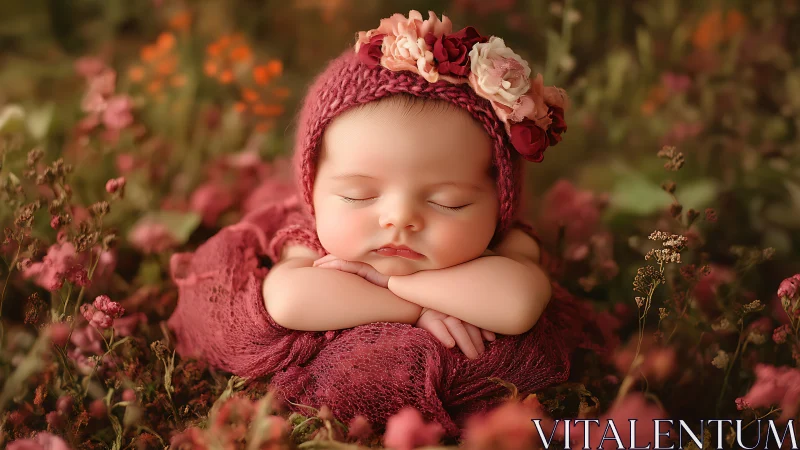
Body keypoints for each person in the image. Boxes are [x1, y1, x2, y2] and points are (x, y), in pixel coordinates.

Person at [167, 10, 608, 440]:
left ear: (499, 204)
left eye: (447, 202)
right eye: (359, 195)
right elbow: (287, 299)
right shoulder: (306, 235)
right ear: (312, 190)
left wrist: (386, 282)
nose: (399, 218)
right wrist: (416, 309)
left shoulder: (507, 242)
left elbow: (516, 304)